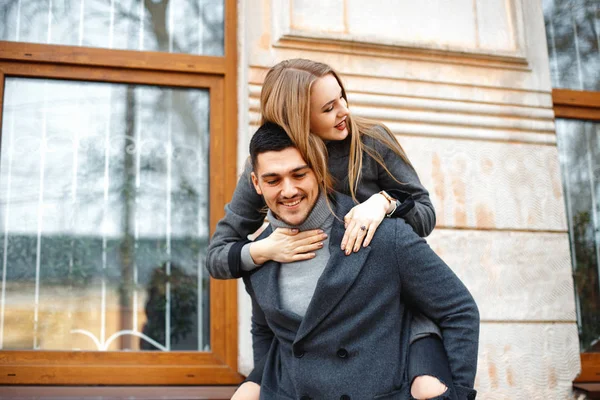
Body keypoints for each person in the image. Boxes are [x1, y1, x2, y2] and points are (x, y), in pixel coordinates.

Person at [207, 59, 450, 398]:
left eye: (342, 98)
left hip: (388, 315)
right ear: (297, 119)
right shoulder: (267, 166)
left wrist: (383, 203)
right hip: (312, 332)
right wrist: (265, 249)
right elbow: (217, 256)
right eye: (329, 107)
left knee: (430, 388)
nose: (344, 111)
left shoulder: (370, 142)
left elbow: (424, 215)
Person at [231, 123, 479, 399]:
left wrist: (457, 395)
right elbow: (266, 330)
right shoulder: (259, 255)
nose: (288, 191)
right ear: (256, 183)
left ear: (318, 169)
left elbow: (458, 310)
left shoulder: (383, 234)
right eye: (273, 180)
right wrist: (260, 388)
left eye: (298, 174)